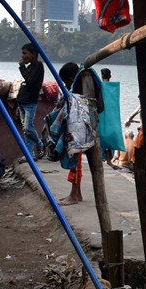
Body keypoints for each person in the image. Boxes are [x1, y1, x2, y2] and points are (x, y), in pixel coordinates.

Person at [57, 63, 84, 206]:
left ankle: (74, 195)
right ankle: (76, 193)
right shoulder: (78, 90)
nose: (66, 86)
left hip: (78, 133)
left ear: (71, 79)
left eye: (66, 82)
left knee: (75, 163)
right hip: (78, 132)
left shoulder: (77, 93)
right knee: (76, 162)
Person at [17, 43, 44, 160]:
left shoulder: (38, 66)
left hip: (30, 102)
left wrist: (22, 67)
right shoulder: (30, 67)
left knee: (28, 128)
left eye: (25, 53)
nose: (23, 56)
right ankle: (29, 154)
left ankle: (39, 144)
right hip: (22, 100)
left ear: (33, 54)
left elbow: (30, 81)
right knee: (26, 130)